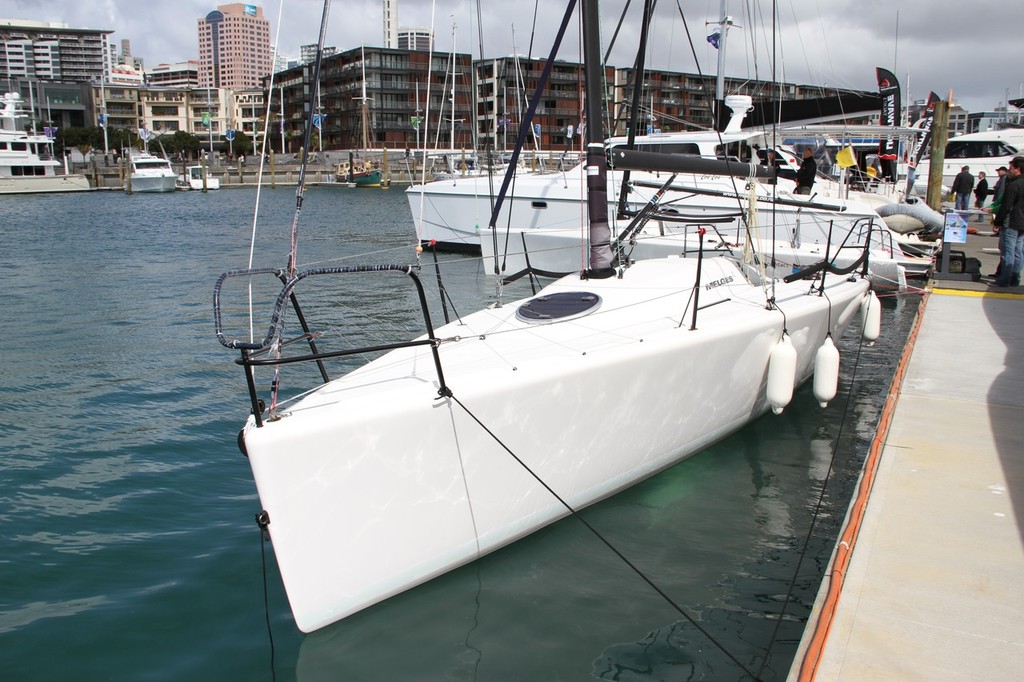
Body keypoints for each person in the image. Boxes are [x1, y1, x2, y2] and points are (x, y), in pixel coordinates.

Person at [993, 156, 1024, 288]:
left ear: (1017, 169)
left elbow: (1006, 205)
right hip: (1022, 223)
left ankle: (1004, 279)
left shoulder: (1013, 184)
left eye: (1011, 168)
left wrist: (997, 221)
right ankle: (1014, 278)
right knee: (1018, 252)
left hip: (1011, 222)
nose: (1009, 171)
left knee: (1008, 252)